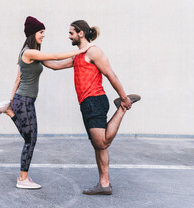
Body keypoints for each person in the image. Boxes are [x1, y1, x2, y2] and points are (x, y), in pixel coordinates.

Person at [0, 16, 92, 189]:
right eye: (41, 32)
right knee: (30, 140)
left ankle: (8, 111)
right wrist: (83, 50)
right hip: (25, 101)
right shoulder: (29, 52)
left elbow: (51, 65)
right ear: (32, 33)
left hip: (24, 101)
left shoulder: (33, 54)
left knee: (30, 138)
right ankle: (22, 179)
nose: (43, 35)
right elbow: (55, 56)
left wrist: (11, 100)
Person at [42, 20, 141, 195]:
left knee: (102, 143)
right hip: (86, 103)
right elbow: (55, 66)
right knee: (98, 146)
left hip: (94, 99)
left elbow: (110, 74)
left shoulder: (94, 51)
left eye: (71, 32)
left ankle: (122, 108)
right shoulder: (79, 56)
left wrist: (124, 98)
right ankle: (104, 184)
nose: (69, 36)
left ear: (81, 33)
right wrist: (36, 54)